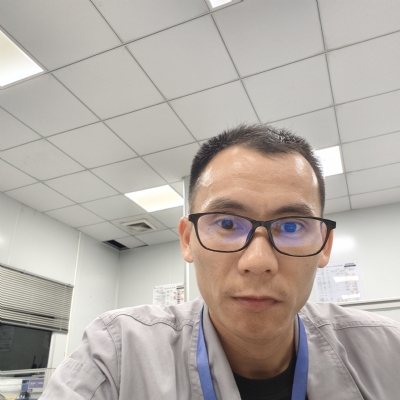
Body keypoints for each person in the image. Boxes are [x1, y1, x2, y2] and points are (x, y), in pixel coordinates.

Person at [40, 124, 400, 400]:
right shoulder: (118, 352)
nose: (258, 262)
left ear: (324, 245)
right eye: (227, 224)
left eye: (291, 226)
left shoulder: (389, 351)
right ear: (187, 240)